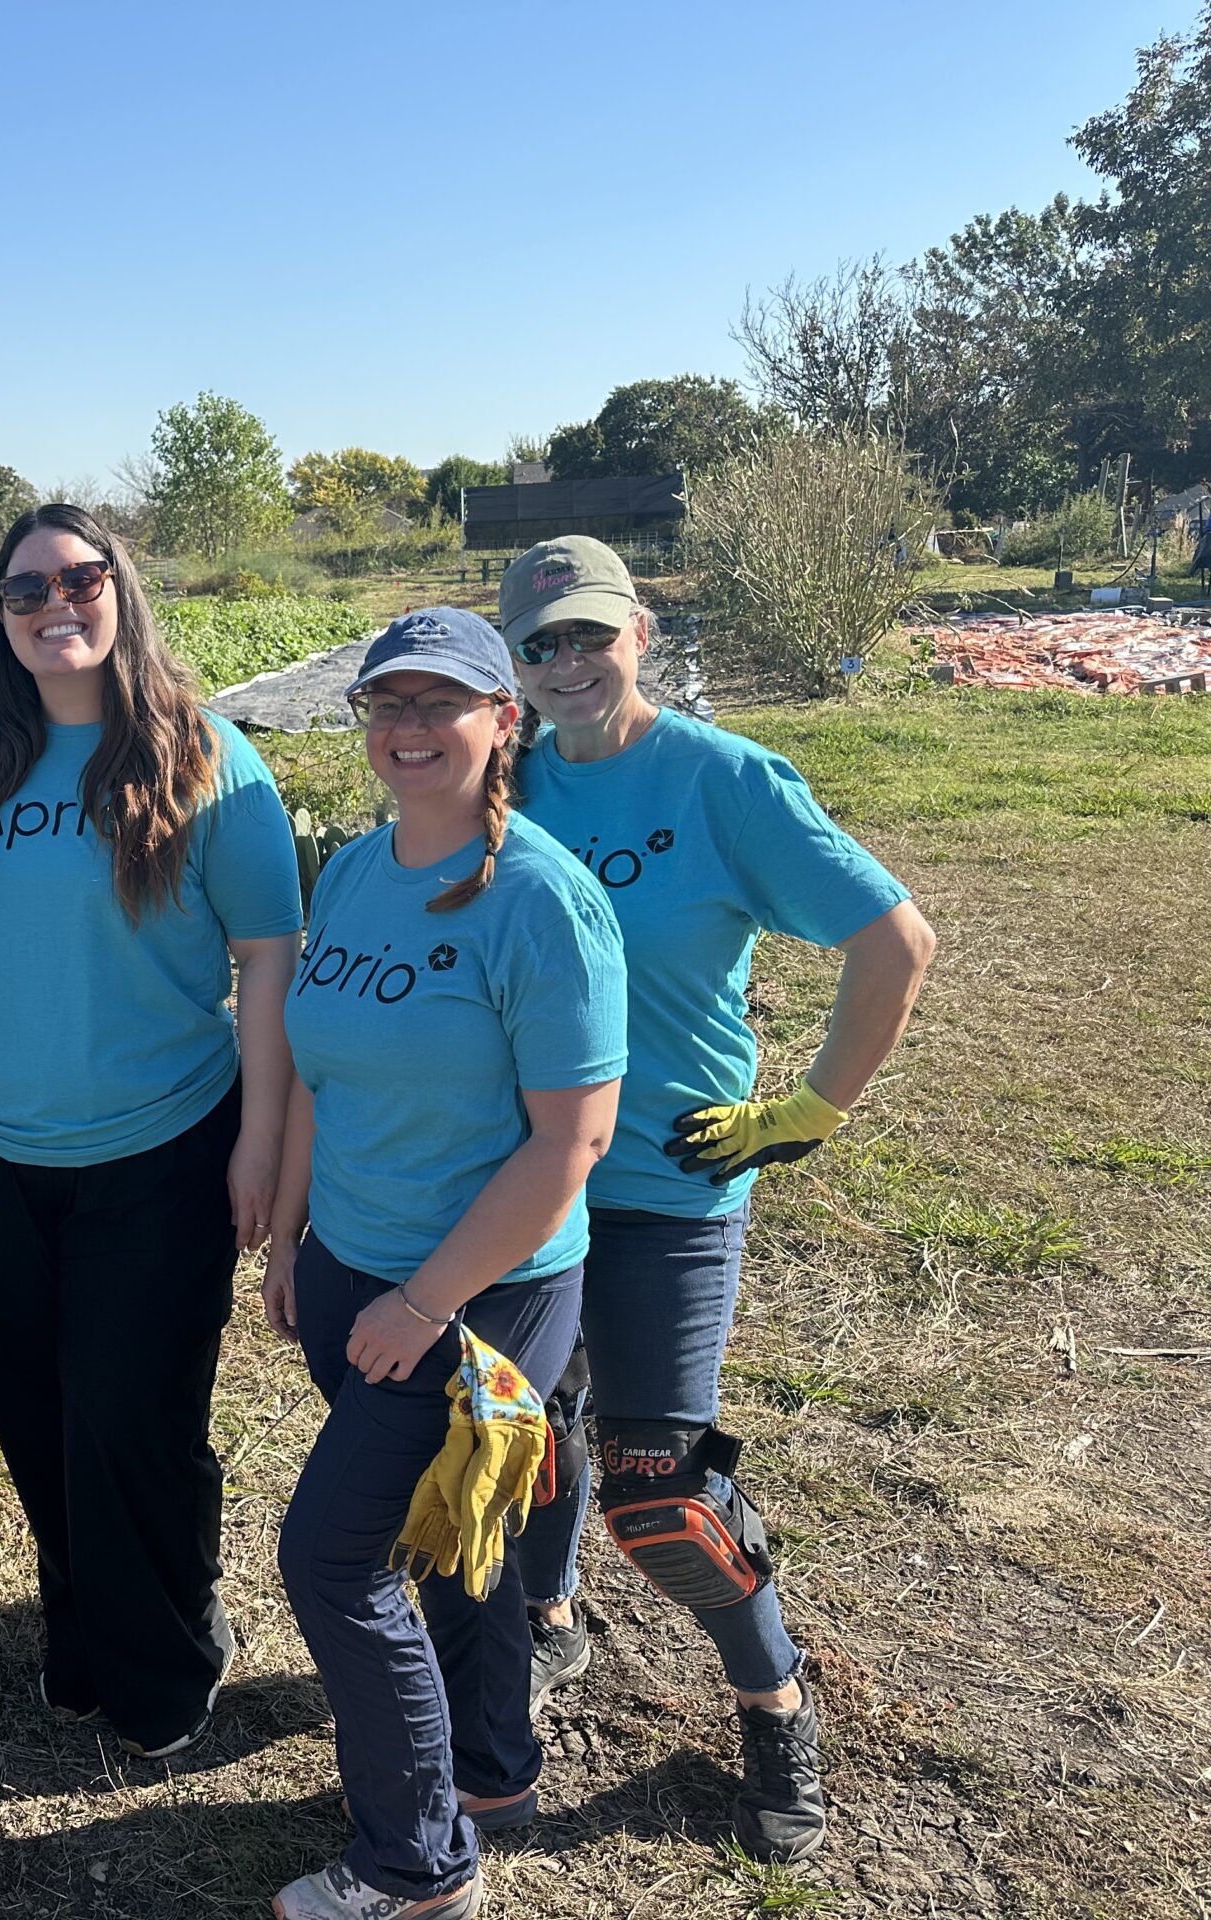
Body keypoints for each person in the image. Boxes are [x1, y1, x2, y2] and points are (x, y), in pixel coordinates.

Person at [503, 536, 936, 1863]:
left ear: (640, 630)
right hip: (523, 1179)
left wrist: (810, 1107)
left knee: (661, 1482)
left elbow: (893, 939)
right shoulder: (506, 777)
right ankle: (549, 1618)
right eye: (540, 645)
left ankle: (774, 1703)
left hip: (665, 1186)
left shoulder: (721, 778)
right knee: (527, 1423)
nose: (567, 665)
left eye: (590, 635)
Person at [0, 503, 302, 1759]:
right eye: (24, 590)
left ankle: (170, 1646)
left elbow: (267, 957)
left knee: (132, 1417)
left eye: (80, 578)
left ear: (120, 591)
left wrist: (258, 1143)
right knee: (33, 1409)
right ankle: (77, 1620)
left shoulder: (208, 760)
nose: (53, 604)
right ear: (0, 618)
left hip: (161, 1142)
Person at [264, 608, 626, 1920]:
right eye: (388, 705)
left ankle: (418, 1865)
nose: (410, 730)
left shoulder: (542, 901)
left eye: (442, 704)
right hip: (353, 1272)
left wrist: (427, 1300)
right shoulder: (356, 872)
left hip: (483, 1295)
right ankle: (488, 1771)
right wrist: (298, 1239)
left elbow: (569, 1141)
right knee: (446, 1536)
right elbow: (319, 1071)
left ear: (503, 723)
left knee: (332, 1559)